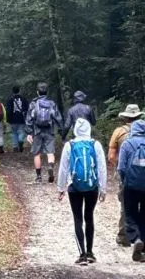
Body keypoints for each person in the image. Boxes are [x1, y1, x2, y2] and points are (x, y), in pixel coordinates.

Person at [58, 118, 108, 265]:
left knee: (78, 219)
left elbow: (63, 168)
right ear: (88, 129)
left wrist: (61, 188)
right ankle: (91, 252)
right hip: (92, 186)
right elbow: (101, 168)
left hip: (74, 186)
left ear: (75, 130)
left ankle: (82, 254)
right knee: (89, 217)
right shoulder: (96, 144)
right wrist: (103, 189)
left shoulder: (69, 145)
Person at [109, 104, 142, 247]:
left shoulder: (119, 132)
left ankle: (124, 237)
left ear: (125, 117)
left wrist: (123, 169)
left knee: (126, 205)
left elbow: (111, 156)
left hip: (128, 176)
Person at [117, 115, 145, 262]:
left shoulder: (127, 144)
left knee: (130, 213)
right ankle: (143, 244)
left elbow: (121, 167)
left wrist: (124, 182)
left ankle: (136, 238)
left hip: (131, 185)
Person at [27, 82, 64, 183]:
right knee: (50, 152)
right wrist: (61, 130)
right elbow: (58, 118)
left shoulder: (33, 104)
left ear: (37, 92)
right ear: (47, 92)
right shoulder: (52, 103)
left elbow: (29, 118)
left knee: (36, 153)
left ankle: (39, 177)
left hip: (37, 131)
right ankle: (50, 167)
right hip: (49, 131)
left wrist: (29, 132)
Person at [7, 86, 29, 153]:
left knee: (14, 133)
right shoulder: (23, 99)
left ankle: (15, 147)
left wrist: (8, 119)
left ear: (12, 91)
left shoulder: (10, 99)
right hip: (21, 118)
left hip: (12, 119)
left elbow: (8, 110)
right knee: (21, 131)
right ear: (19, 91)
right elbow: (27, 108)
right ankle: (20, 141)